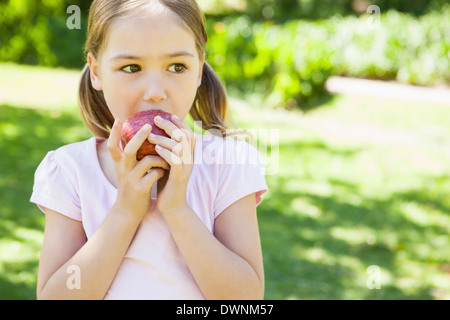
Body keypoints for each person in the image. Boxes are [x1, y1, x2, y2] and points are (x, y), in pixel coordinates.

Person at [30, 0, 268, 300]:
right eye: (131, 67)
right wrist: (125, 211)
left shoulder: (228, 166)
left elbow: (245, 300)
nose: (155, 91)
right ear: (96, 72)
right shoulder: (71, 171)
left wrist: (178, 210)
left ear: (198, 70)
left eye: (177, 67)